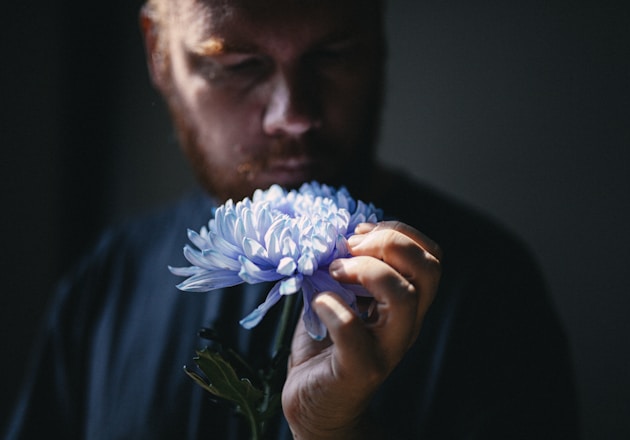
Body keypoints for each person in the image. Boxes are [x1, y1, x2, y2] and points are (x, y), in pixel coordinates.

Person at [4, 0, 579, 438]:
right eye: (238, 63)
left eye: (332, 54)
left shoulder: (489, 290)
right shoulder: (105, 281)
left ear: (378, 39)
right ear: (158, 54)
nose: (293, 116)